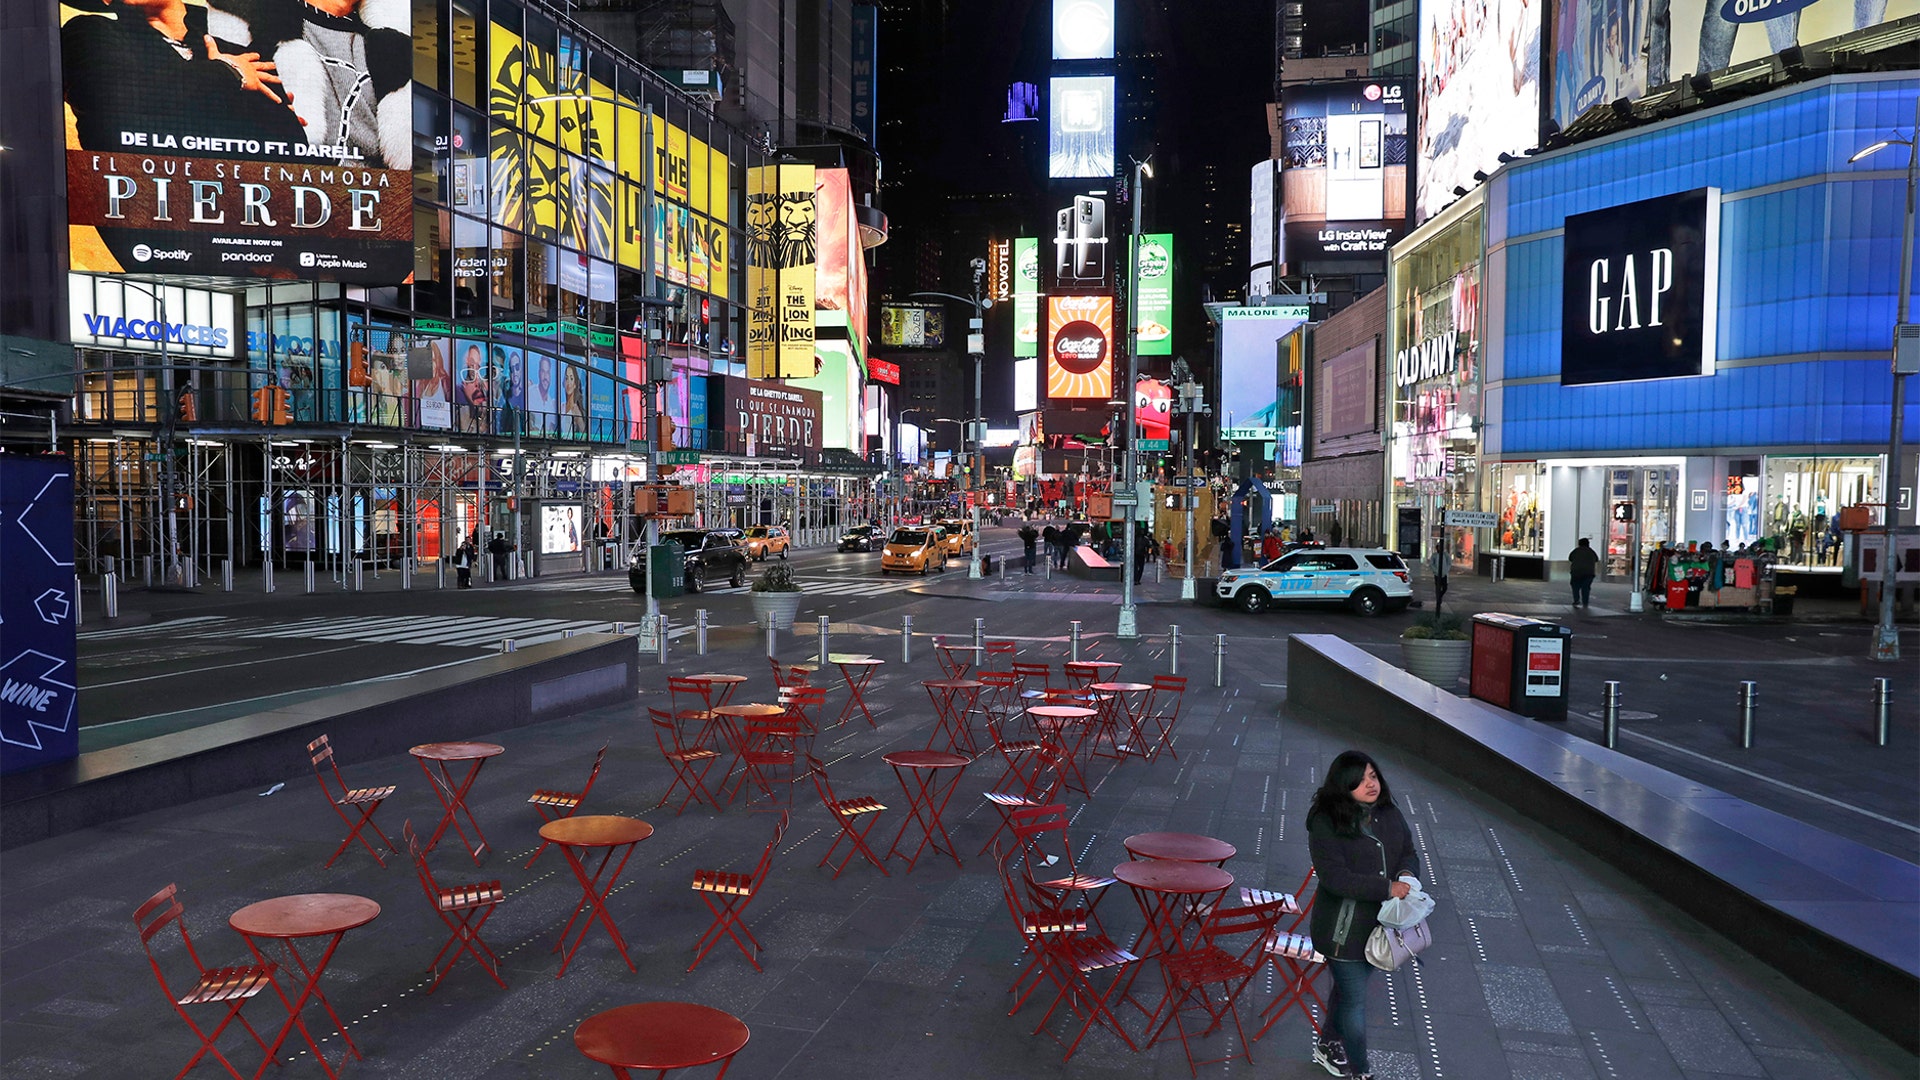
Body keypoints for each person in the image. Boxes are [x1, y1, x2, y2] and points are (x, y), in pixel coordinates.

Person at [1306, 751, 1419, 1080]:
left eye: (1373, 775)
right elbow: (1335, 878)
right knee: (1354, 1001)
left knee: (1346, 992)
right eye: (1360, 780)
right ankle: (1361, 1072)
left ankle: (1327, 1045)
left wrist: (1408, 873)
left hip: (1381, 927)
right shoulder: (1326, 822)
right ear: (1343, 786)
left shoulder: (1388, 811)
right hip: (1343, 932)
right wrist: (1387, 887)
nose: (1371, 784)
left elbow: (1408, 851)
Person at [1568, 537, 1599, 607]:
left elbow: (1570, 558)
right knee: (1586, 588)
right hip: (1589, 573)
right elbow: (1596, 559)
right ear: (1588, 544)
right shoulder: (1591, 551)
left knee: (1575, 587)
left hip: (1576, 572)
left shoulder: (1576, 551)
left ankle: (1576, 600)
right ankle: (1585, 602)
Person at [1428, 539, 1449, 612]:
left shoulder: (1445, 555)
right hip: (1437, 574)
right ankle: (1438, 601)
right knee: (1438, 588)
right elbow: (1431, 564)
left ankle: (1440, 597)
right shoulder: (1434, 555)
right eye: (1439, 547)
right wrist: (1435, 571)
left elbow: (1449, 563)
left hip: (1444, 574)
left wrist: (1446, 570)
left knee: (1445, 587)